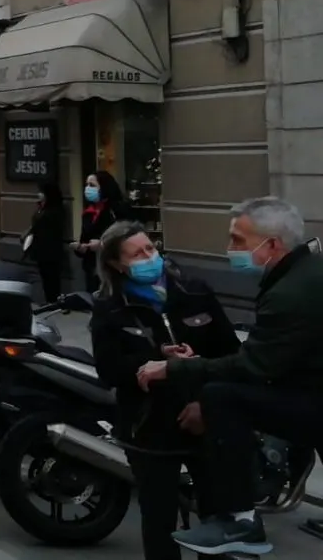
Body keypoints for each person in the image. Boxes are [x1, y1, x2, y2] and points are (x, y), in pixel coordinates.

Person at [137, 197, 323, 555]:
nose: (229, 249)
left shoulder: (291, 292)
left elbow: (255, 366)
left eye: (238, 240)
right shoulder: (304, 273)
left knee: (222, 398)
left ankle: (240, 522)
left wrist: (174, 368)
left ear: (272, 245)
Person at [89, 220, 238, 560]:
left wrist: (199, 374)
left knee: (218, 515)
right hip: (149, 429)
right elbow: (109, 370)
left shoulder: (194, 291)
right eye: (137, 254)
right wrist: (155, 362)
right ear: (116, 264)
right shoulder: (110, 307)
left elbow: (231, 352)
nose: (148, 257)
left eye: (150, 249)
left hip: (205, 418)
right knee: (159, 518)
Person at [75, 170, 126, 292]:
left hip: (113, 267)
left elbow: (126, 238)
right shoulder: (88, 213)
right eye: (86, 185)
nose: (88, 189)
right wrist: (80, 248)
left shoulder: (118, 210)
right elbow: (84, 238)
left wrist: (101, 245)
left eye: (92, 185)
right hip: (92, 268)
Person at [26, 181, 68, 302]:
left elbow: (47, 227)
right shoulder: (41, 208)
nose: (39, 194)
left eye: (41, 192)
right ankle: (49, 300)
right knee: (45, 278)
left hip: (51, 250)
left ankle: (54, 301)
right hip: (41, 250)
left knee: (52, 279)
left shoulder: (55, 210)